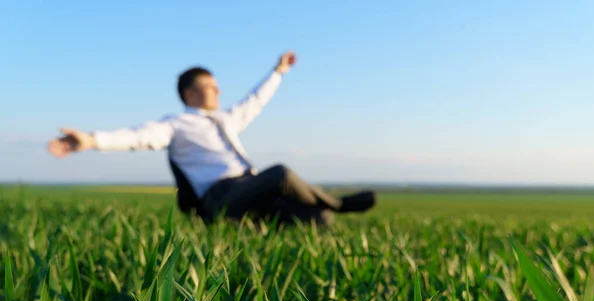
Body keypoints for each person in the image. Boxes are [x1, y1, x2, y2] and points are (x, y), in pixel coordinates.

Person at [47, 51, 376, 227]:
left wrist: (278, 72)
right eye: (210, 86)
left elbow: (254, 101)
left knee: (320, 219)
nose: (218, 90)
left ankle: (261, 227)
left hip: (252, 191)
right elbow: (138, 137)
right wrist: (91, 140)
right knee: (280, 174)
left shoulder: (226, 119)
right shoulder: (175, 124)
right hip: (221, 197)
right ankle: (342, 203)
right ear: (190, 93)